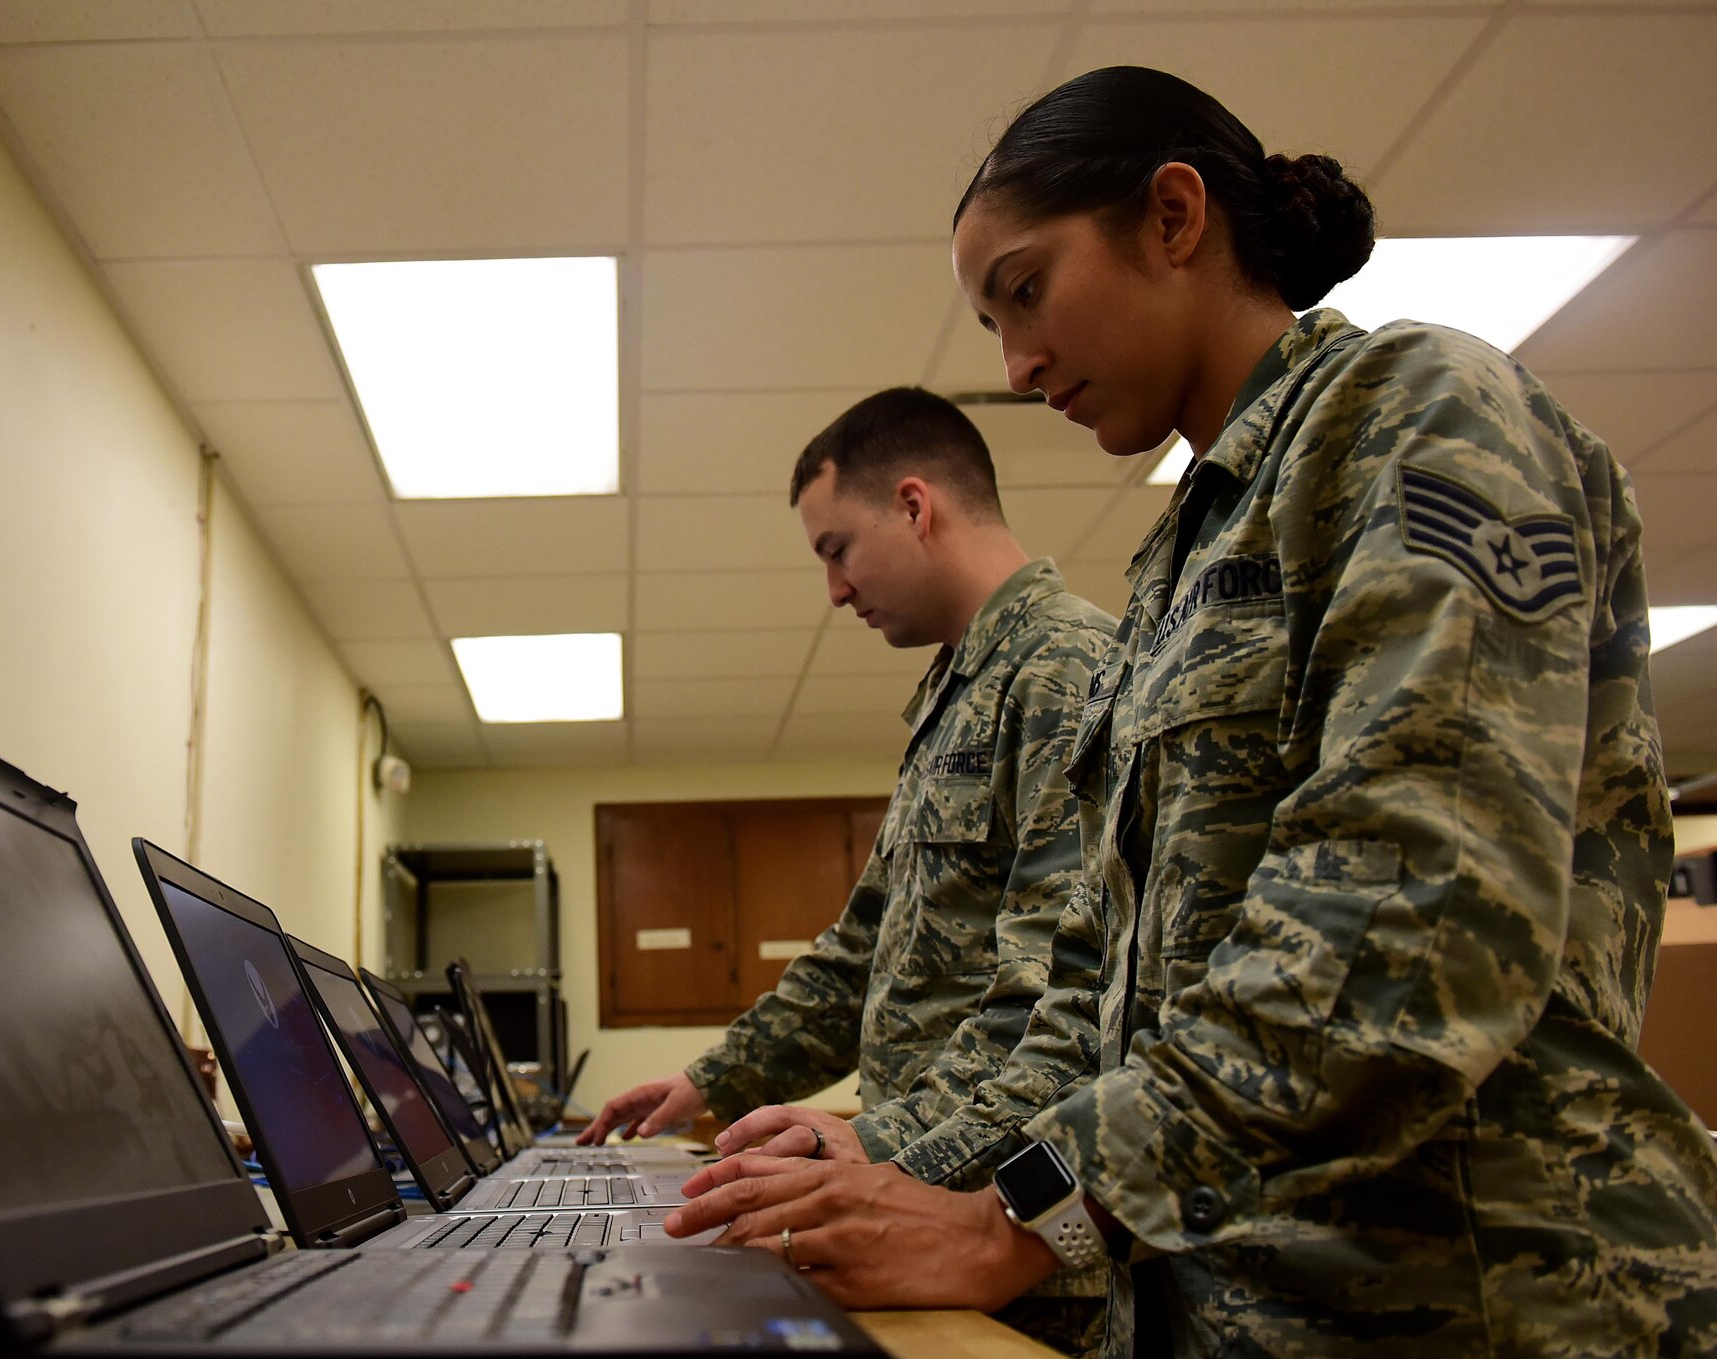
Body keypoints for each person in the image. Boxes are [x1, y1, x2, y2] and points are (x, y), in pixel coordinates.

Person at [663, 66, 1717, 1359]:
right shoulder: (1175, 571)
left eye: (1028, 290)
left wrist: (1016, 1213)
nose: (1018, 359)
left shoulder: (1417, 414)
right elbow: (1092, 988)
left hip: (1476, 1301)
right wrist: (928, 1163)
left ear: (1174, 217)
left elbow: (1409, 915)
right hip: (1237, 1305)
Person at [578, 386, 1117, 1345]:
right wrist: (707, 1082)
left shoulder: (1064, 668)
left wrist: (878, 1139)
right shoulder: (958, 696)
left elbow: (1056, 995)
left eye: (836, 549)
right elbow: (860, 953)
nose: (833, 589)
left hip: (1002, 1235)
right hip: (910, 1206)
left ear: (914, 505)